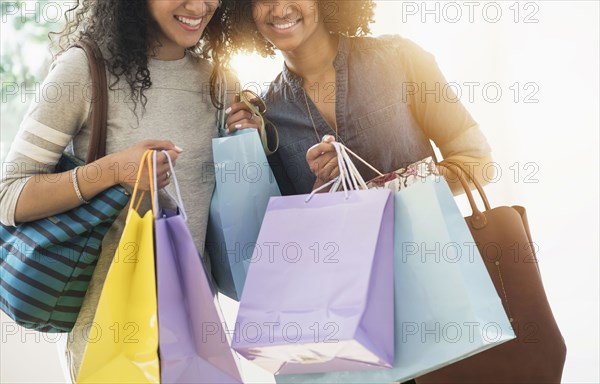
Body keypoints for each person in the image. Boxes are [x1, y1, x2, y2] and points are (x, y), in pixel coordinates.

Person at [0, 0, 237, 381]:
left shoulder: (219, 82)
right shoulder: (84, 70)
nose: (199, 5)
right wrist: (112, 170)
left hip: (194, 334)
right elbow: (9, 196)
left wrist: (248, 140)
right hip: (109, 341)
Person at [225, 0, 493, 195]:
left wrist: (389, 188)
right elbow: (286, 230)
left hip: (431, 261)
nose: (280, 8)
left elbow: (478, 164)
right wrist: (245, 147)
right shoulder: (267, 118)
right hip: (342, 273)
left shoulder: (399, 58)